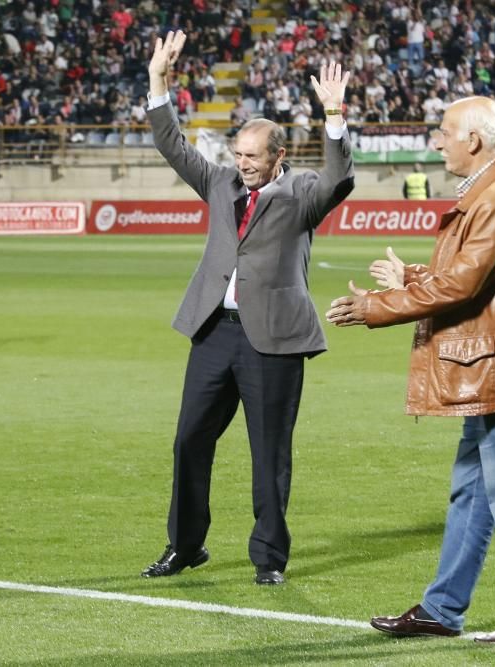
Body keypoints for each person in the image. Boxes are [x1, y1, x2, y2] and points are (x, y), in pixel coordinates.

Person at [326, 96, 495, 643]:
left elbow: (462, 285)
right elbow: (469, 274)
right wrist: (411, 277)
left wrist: (374, 309)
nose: (437, 142)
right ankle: (443, 609)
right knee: (474, 495)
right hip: (493, 366)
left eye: (443, 132)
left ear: (474, 141)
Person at [140, 30, 354, 586]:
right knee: (189, 440)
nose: (244, 164)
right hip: (214, 332)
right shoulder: (218, 181)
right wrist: (157, 80)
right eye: (238, 154)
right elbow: (172, 144)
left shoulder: (302, 192)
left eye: (253, 156)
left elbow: (340, 178)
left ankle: (269, 559)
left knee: (269, 455)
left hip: (275, 340)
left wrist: (333, 116)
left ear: (279, 156)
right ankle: (185, 546)